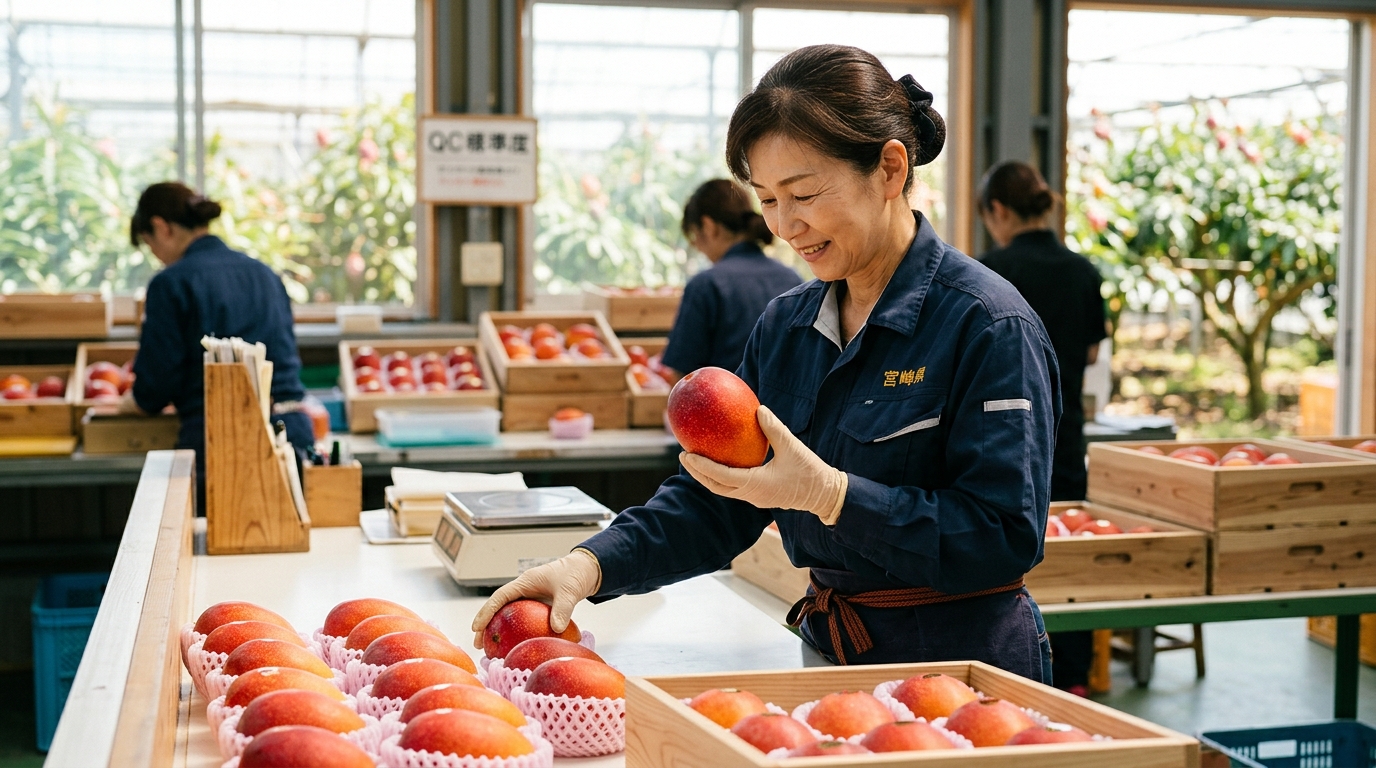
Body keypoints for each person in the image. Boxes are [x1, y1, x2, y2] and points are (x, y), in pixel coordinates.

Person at [472, 45, 1062, 682]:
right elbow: (721, 501)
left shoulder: (986, 324)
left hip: (965, 668)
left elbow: (1002, 539)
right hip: (835, 655)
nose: (786, 225)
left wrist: (833, 496)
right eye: (768, 200)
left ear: (891, 169)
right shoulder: (787, 328)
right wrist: (590, 566)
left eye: (804, 194)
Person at [977, 161, 1109, 695]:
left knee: (1013, 565)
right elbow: (1094, 350)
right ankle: (1075, 679)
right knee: (1074, 565)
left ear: (999, 211)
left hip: (1002, 445)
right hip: (1066, 436)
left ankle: (1020, 679)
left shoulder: (987, 273)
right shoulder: (1083, 271)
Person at [127, 182, 314, 513]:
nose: (155, 255)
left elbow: (154, 390)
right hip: (293, 437)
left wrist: (127, 403)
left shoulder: (170, 284)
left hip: (218, 444)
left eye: (149, 244)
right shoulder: (265, 274)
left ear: (161, 227)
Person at [660, 179, 802, 378]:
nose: (697, 247)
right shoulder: (793, 280)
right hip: (784, 409)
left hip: (723, 408)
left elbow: (683, 376)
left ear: (708, 227)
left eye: (694, 236)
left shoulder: (706, 285)